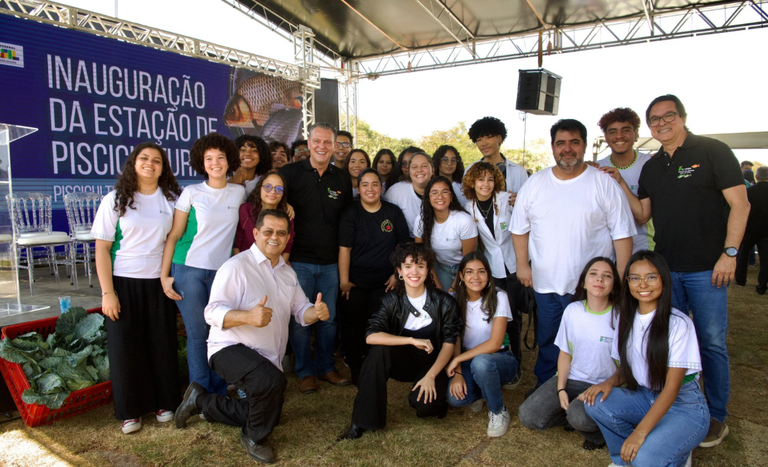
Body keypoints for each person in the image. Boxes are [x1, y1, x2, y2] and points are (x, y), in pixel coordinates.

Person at [604, 95, 750, 447]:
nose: (661, 123)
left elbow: (740, 204)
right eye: (655, 119)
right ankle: (673, 405)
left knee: (711, 343)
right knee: (670, 342)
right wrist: (622, 184)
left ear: (682, 117)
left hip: (707, 269)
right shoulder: (653, 166)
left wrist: (729, 253)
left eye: (668, 116)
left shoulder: (712, 151)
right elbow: (642, 215)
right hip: (667, 270)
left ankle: (715, 416)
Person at [173, 210, 331, 464]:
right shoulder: (236, 266)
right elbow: (211, 312)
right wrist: (247, 317)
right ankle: (254, 437)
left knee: (266, 411)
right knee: (270, 383)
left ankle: (200, 401)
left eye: (281, 233)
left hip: (265, 356)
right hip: (228, 347)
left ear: (288, 238)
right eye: (268, 231)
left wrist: (317, 312)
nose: (274, 237)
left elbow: (302, 311)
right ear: (256, 234)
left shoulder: (287, 273)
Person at [510, 119, 635, 391]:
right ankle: (547, 387)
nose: (567, 149)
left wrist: (623, 278)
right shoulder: (535, 183)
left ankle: (584, 390)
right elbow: (519, 229)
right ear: (553, 147)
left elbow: (622, 234)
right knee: (548, 338)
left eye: (574, 142)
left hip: (592, 287)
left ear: (584, 145)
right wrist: (522, 265)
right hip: (546, 283)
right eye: (561, 143)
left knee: (588, 341)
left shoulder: (604, 183)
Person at [582, 250, 709, 467]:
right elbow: (627, 367)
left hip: (683, 405)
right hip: (645, 396)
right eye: (635, 278)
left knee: (645, 459)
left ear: (663, 279)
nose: (642, 284)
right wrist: (608, 382)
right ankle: (625, 460)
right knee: (595, 403)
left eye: (651, 277)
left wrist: (639, 433)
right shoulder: (626, 317)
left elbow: (672, 388)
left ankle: (675, 451)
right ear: (628, 282)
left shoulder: (679, 323)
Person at [92, 142, 182, 434]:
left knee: (161, 343)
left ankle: (165, 402)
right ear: (133, 163)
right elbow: (102, 249)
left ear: (163, 167)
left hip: (159, 282)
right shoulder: (115, 199)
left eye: (157, 160)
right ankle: (130, 411)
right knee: (125, 347)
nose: (150, 163)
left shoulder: (171, 199)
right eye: (144, 158)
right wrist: (108, 293)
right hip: (123, 283)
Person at [338, 243, 462, 440]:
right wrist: (411, 340)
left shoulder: (443, 301)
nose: (414, 271)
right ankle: (361, 421)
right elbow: (371, 336)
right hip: (401, 361)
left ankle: (439, 399)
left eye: (420, 266)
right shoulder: (391, 300)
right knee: (378, 351)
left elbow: (449, 342)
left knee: (424, 407)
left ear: (428, 270)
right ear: (399, 271)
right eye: (408, 266)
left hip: (431, 364)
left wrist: (431, 376)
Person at [161, 132, 244, 395]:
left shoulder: (239, 192)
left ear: (229, 160)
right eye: (209, 158)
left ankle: (219, 389)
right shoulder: (191, 192)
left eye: (220, 157)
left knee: (219, 332)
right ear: (202, 163)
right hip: (189, 271)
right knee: (198, 335)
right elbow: (174, 235)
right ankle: (199, 393)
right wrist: (165, 276)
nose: (215, 162)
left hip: (223, 273)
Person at [280, 122, 353, 394]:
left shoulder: (341, 178)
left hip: (332, 263)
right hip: (297, 261)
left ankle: (326, 367)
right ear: (308, 144)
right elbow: (272, 204)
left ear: (335, 146)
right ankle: (304, 371)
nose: (322, 146)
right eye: (317, 141)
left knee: (329, 318)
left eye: (327, 142)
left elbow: (346, 221)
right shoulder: (289, 173)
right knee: (301, 319)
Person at [519, 257, 620, 450]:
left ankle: (598, 434)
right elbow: (565, 354)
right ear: (583, 281)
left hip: (602, 386)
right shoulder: (573, 311)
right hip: (573, 379)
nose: (599, 280)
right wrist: (561, 389)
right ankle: (574, 415)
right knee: (528, 415)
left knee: (579, 416)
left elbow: (626, 366)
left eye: (607, 276)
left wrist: (605, 385)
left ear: (613, 285)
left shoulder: (620, 315)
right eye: (594, 274)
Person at [338, 168, 410, 384]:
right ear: (358, 189)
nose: (370, 189)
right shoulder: (350, 213)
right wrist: (344, 281)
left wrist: (397, 275)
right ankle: (357, 367)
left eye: (375, 184)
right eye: (365, 184)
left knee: (380, 324)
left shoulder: (393, 212)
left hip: (385, 282)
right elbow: (344, 249)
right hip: (355, 282)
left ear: (381, 187)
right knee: (353, 326)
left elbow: (404, 247)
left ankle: (377, 365)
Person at [462, 162, 524, 383]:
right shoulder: (468, 207)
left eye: (490, 179)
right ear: (472, 182)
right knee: (497, 317)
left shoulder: (508, 199)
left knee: (514, 317)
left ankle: (515, 363)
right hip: (493, 269)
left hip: (515, 263)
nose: (485, 184)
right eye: (480, 179)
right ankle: (496, 358)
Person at [446, 252, 518, 438]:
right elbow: (455, 338)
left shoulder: (499, 296)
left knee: (482, 363)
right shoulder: (453, 298)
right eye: (469, 272)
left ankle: (498, 411)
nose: (475, 277)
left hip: (500, 359)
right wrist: (459, 373)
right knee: (455, 399)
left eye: (481, 271)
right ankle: (481, 390)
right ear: (461, 276)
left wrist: (458, 360)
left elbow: (494, 343)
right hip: (469, 359)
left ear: (488, 274)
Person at [595, 108, 653, 252]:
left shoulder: (651, 164)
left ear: (636, 134)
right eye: (613, 132)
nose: (619, 136)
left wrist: (620, 182)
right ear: (606, 137)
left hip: (644, 249)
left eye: (625, 130)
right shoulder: (597, 169)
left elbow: (642, 217)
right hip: (608, 252)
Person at [415, 176, 477, 290]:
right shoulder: (421, 221)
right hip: (439, 267)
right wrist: (439, 288)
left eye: (444, 192)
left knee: (461, 301)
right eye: (434, 193)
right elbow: (423, 257)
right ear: (428, 198)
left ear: (451, 196)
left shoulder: (464, 220)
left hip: (465, 268)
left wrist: (453, 289)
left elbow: (469, 260)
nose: (440, 197)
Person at [233, 171, 294, 259]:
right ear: (260, 188)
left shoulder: (287, 214)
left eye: (279, 189)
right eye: (268, 187)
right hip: (246, 263)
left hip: (272, 266)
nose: (273, 192)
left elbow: (287, 246)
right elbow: (237, 244)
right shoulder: (246, 209)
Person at [466, 116, 528, 197]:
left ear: (499, 138)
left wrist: (518, 200)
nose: (483, 143)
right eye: (479, 140)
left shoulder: (519, 172)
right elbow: (465, 200)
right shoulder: (470, 170)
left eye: (488, 137)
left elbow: (527, 201)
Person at [384, 151, 434, 238]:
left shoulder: (441, 191)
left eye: (424, 166)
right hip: (406, 243)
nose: (419, 170)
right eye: (414, 167)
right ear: (409, 171)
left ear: (432, 170)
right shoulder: (396, 191)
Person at [735, 166, 768, 294]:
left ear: (756, 177)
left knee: (743, 255)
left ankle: (740, 279)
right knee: (765, 259)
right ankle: (762, 285)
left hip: (749, 228)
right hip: (766, 231)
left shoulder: (749, 192)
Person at [229, 135, 272, 199]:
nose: (248, 154)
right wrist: (231, 182)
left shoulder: (262, 185)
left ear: (261, 156)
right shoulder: (221, 178)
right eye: (243, 150)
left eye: (254, 151)